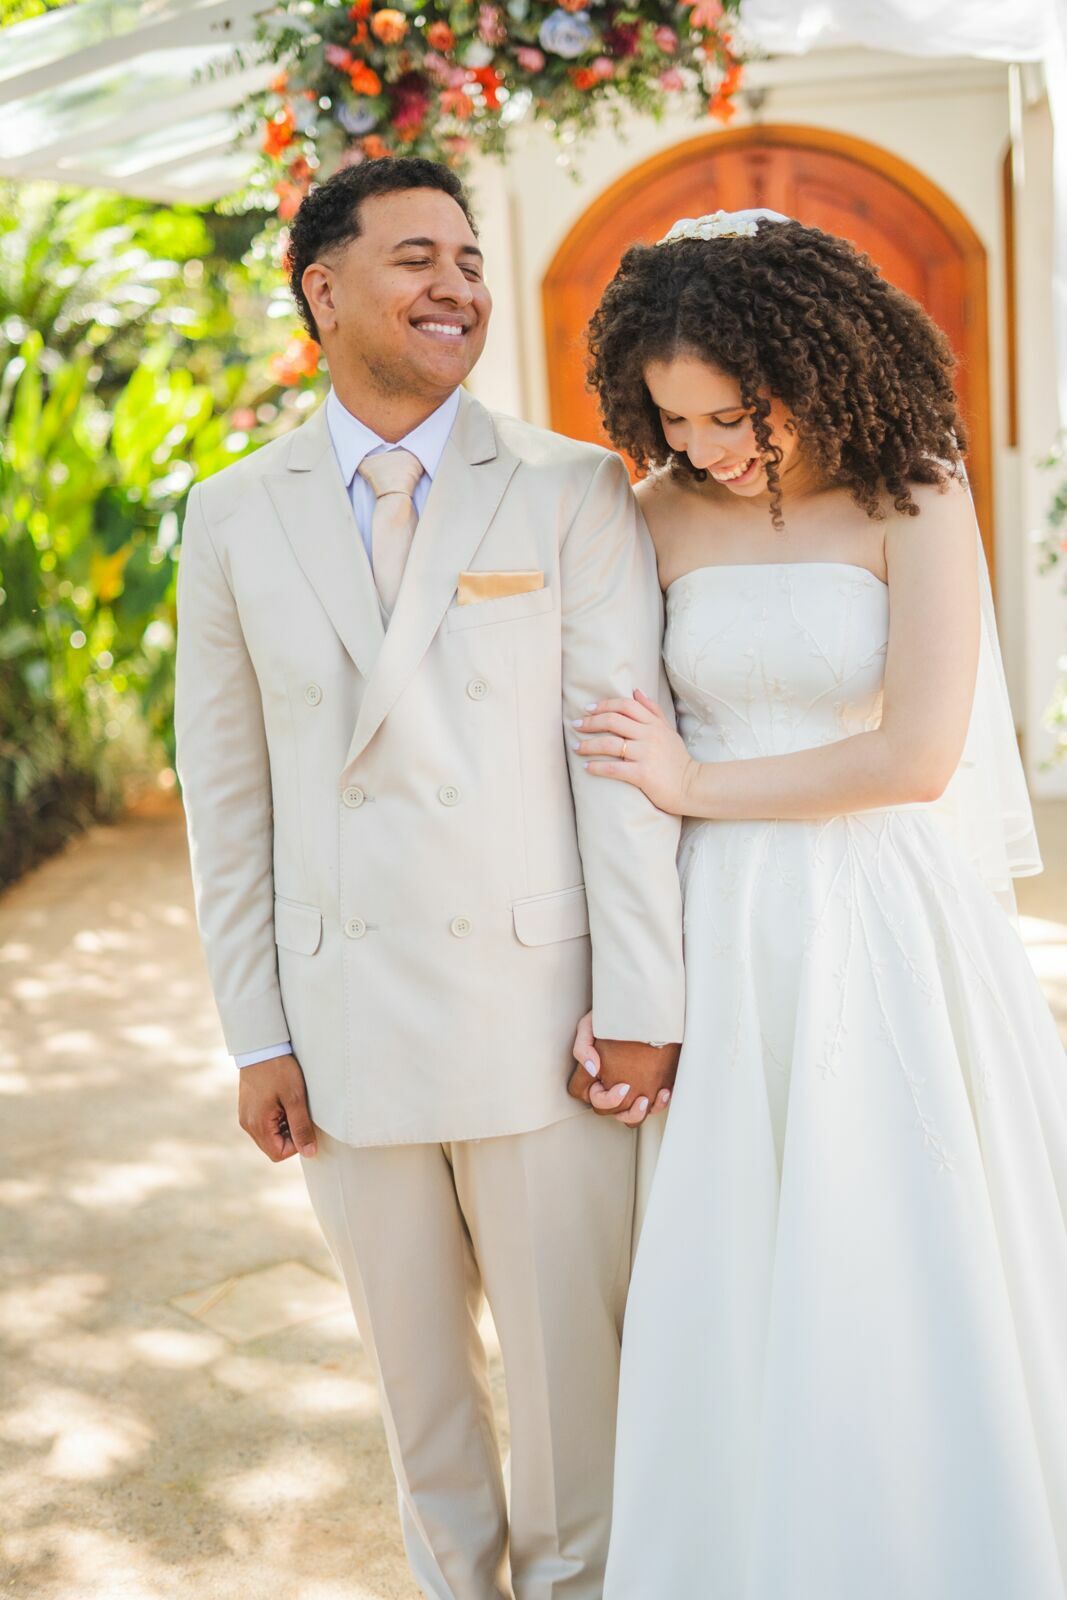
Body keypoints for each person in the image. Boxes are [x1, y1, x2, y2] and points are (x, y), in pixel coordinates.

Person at [174, 157, 685, 1600]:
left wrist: (643, 999)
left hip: (544, 1020)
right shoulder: (230, 512)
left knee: (577, 1405)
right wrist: (255, 1030)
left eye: (466, 257)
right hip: (345, 1027)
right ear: (322, 290)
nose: (457, 283)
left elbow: (616, 761)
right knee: (422, 1409)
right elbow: (228, 794)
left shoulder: (573, 487)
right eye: (417, 257)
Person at [571, 210, 1067, 1599]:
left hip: (881, 917)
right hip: (714, 925)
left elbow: (914, 757)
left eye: (739, 415)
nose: (714, 451)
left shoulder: (918, 491)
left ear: (818, 360)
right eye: (678, 423)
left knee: (901, 1227)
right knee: (736, 1247)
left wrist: (691, 785)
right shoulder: (650, 513)